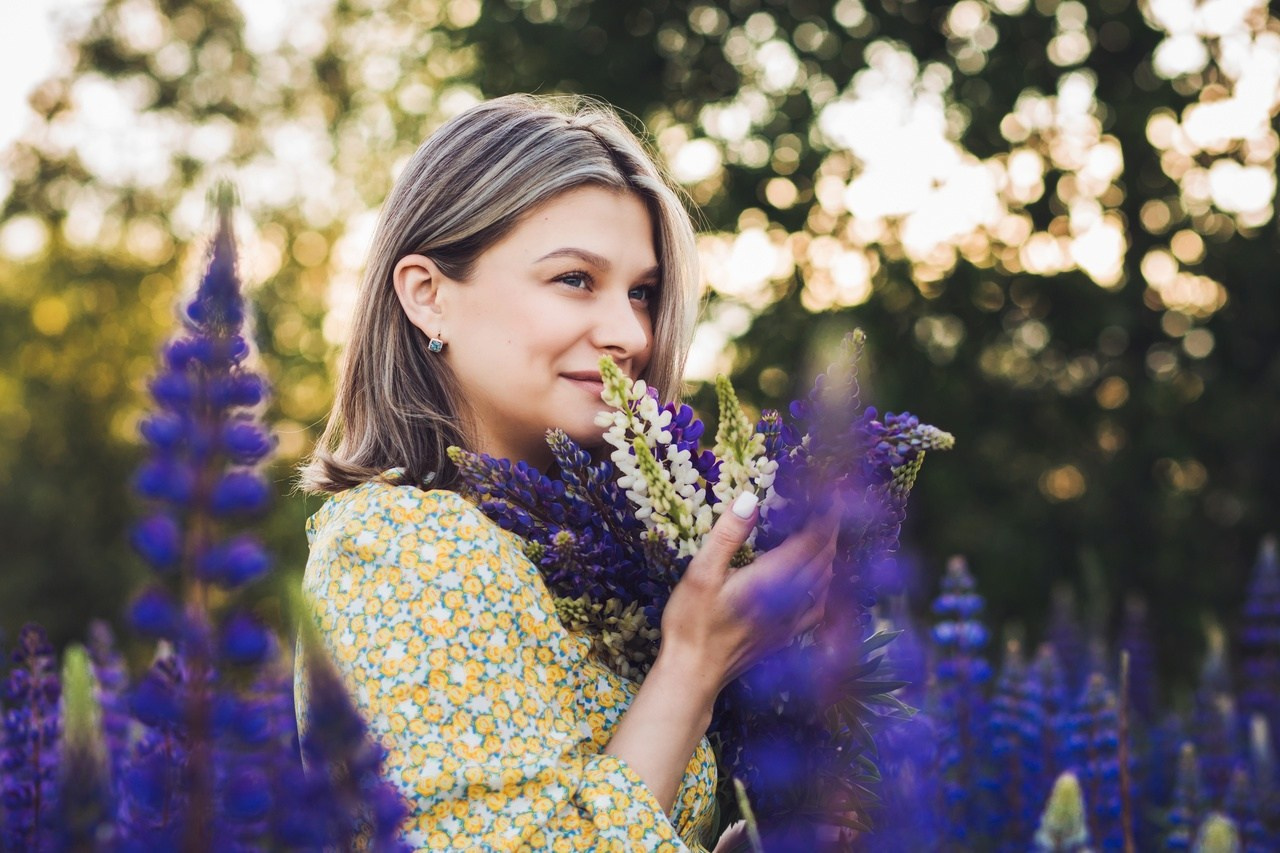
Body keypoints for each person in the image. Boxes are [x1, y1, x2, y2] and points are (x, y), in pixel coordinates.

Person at [296, 94, 837, 852]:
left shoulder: (569, 561)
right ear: (428, 294)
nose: (631, 334)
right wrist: (694, 662)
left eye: (641, 293)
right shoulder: (403, 545)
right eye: (576, 279)